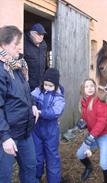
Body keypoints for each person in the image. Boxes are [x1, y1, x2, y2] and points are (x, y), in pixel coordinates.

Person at [0, 25, 39, 183]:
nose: (19, 47)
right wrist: (5, 137)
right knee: (4, 176)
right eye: (15, 44)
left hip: (24, 131)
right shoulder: (1, 71)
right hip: (8, 135)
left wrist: (33, 104)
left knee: (30, 167)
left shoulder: (16, 66)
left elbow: (25, 92)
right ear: (3, 45)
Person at [76, 78, 107, 183]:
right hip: (94, 134)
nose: (90, 88)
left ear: (95, 88)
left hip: (105, 134)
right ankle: (89, 167)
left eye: (92, 86)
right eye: (87, 86)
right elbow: (87, 117)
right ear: (82, 89)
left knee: (103, 163)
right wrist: (82, 123)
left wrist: (91, 136)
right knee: (80, 154)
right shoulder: (83, 101)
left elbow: (102, 121)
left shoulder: (100, 100)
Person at [31, 68, 65, 183]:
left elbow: (56, 111)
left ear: (56, 85)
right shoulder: (38, 90)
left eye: (50, 86)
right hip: (36, 131)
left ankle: (54, 180)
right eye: (45, 84)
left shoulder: (59, 97)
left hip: (51, 132)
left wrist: (41, 112)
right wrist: (33, 104)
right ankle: (36, 178)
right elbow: (31, 98)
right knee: (37, 157)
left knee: (52, 158)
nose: (47, 88)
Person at [24, 23, 47, 91]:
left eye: (42, 35)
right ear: (31, 33)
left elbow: (45, 62)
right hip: (28, 84)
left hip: (40, 83)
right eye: (39, 34)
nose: (41, 37)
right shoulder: (24, 42)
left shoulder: (43, 45)